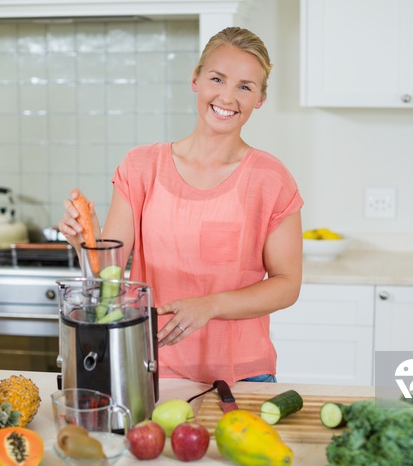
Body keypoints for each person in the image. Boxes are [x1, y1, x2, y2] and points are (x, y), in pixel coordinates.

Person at [58, 26, 303, 386]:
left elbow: (287, 284)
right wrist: (85, 240)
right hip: (152, 366)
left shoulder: (271, 178)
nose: (227, 97)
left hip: (243, 375)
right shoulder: (141, 167)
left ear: (260, 99)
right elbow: (105, 277)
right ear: (195, 80)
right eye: (217, 78)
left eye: (245, 87)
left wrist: (210, 305)